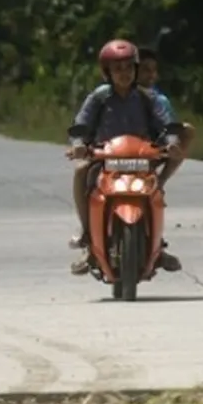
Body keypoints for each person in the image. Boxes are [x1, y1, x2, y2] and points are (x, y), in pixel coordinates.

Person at [65, 39, 183, 276]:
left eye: (129, 68)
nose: (124, 74)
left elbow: (168, 123)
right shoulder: (99, 97)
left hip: (142, 158)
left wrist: (171, 144)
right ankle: (88, 238)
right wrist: (78, 145)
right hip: (104, 157)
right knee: (80, 171)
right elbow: (80, 125)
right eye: (117, 69)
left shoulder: (148, 97)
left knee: (154, 193)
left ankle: (157, 247)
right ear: (107, 72)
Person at [136, 46, 195, 188]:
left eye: (153, 70)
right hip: (118, 150)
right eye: (145, 70)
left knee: (187, 130)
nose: (151, 75)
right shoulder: (109, 94)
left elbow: (169, 123)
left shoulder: (158, 99)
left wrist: (172, 142)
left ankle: (161, 182)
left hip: (149, 148)